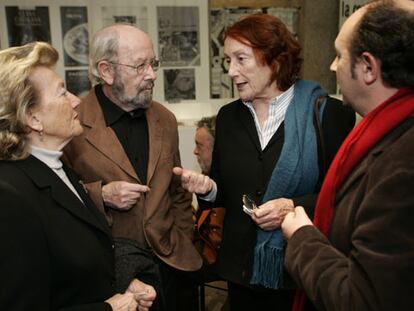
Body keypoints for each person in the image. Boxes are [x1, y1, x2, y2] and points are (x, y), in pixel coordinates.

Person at [173, 14, 356, 311]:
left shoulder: (328, 115)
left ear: (275, 60)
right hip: (240, 273)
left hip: (302, 270)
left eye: (241, 59)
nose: (231, 71)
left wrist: (293, 206)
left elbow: (344, 196)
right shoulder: (229, 118)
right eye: (228, 60)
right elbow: (224, 195)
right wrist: (206, 189)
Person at [0, 42, 156, 311]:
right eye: (62, 93)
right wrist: (109, 309)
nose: (76, 100)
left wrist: (123, 285)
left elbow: (73, 268)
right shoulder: (9, 194)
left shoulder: (58, 169)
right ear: (32, 118)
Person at [281, 1, 414, 310]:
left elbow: (363, 299)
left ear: (368, 67)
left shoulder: (402, 163)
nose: (332, 66)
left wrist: (302, 238)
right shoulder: (382, 131)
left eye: (339, 55)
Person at [63, 24, 202, 311]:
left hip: (172, 267)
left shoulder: (164, 118)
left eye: (153, 63)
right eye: (139, 66)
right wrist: (102, 195)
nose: (151, 75)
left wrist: (183, 239)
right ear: (106, 71)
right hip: (112, 275)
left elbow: (177, 193)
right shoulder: (71, 124)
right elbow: (58, 203)